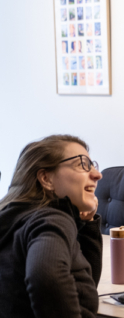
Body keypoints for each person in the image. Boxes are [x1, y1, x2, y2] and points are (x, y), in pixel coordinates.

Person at [0, 135, 103, 317]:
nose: (97, 174)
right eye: (82, 165)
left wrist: (86, 224)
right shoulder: (52, 219)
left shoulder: (16, 218)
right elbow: (46, 277)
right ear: (46, 178)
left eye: (92, 165)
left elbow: (82, 290)